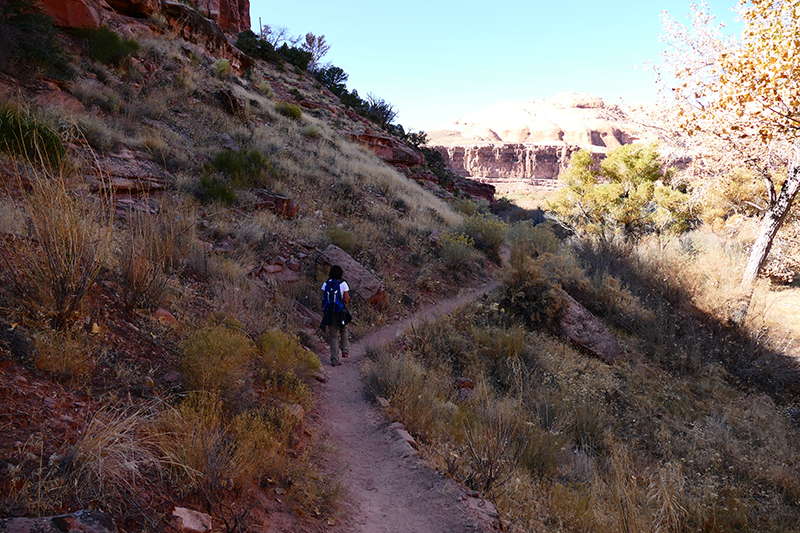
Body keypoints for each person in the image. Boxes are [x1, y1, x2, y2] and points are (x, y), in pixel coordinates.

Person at [320, 265, 350, 366]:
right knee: (344, 329)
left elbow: (323, 298)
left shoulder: (326, 284)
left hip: (329, 313)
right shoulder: (343, 284)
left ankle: (334, 360)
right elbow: (346, 299)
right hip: (340, 312)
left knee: (333, 336)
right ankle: (345, 350)